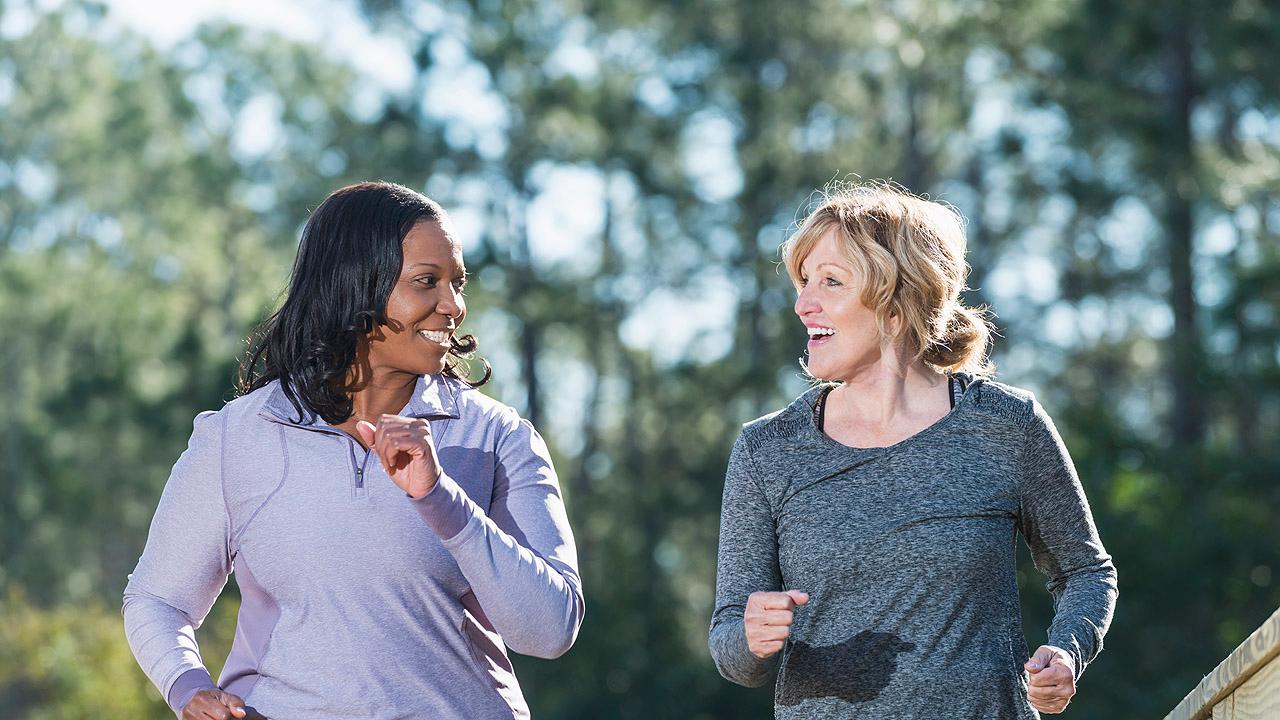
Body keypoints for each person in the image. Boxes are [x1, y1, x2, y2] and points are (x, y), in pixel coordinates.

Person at [123, 181, 584, 720]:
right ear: (354, 287)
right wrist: (187, 686)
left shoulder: (497, 438)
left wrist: (439, 498)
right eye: (426, 282)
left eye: (457, 283)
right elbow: (158, 598)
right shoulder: (236, 437)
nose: (453, 305)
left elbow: (551, 629)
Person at [708, 182, 1117, 718]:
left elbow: (1085, 572)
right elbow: (730, 647)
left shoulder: (1007, 425)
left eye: (831, 282)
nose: (803, 303)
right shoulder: (768, 450)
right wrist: (751, 637)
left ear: (898, 303)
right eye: (804, 281)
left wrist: (1066, 653)